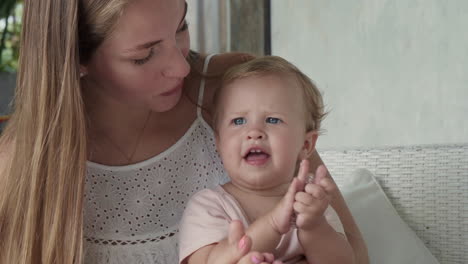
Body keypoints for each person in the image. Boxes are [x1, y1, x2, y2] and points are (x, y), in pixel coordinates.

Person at [0, 0, 368, 263]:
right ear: (77, 59)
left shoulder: (238, 90)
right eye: (144, 55)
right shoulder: (22, 161)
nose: (180, 66)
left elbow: (354, 252)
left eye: (180, 28)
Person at [179, 56, 354, 264]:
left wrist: (314, 226)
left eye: (272, 120)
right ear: (219, 142)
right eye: (238, 121)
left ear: (306, 145)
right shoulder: (209, 205)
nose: (254, 132)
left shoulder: (311, 203)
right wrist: (272, 224)